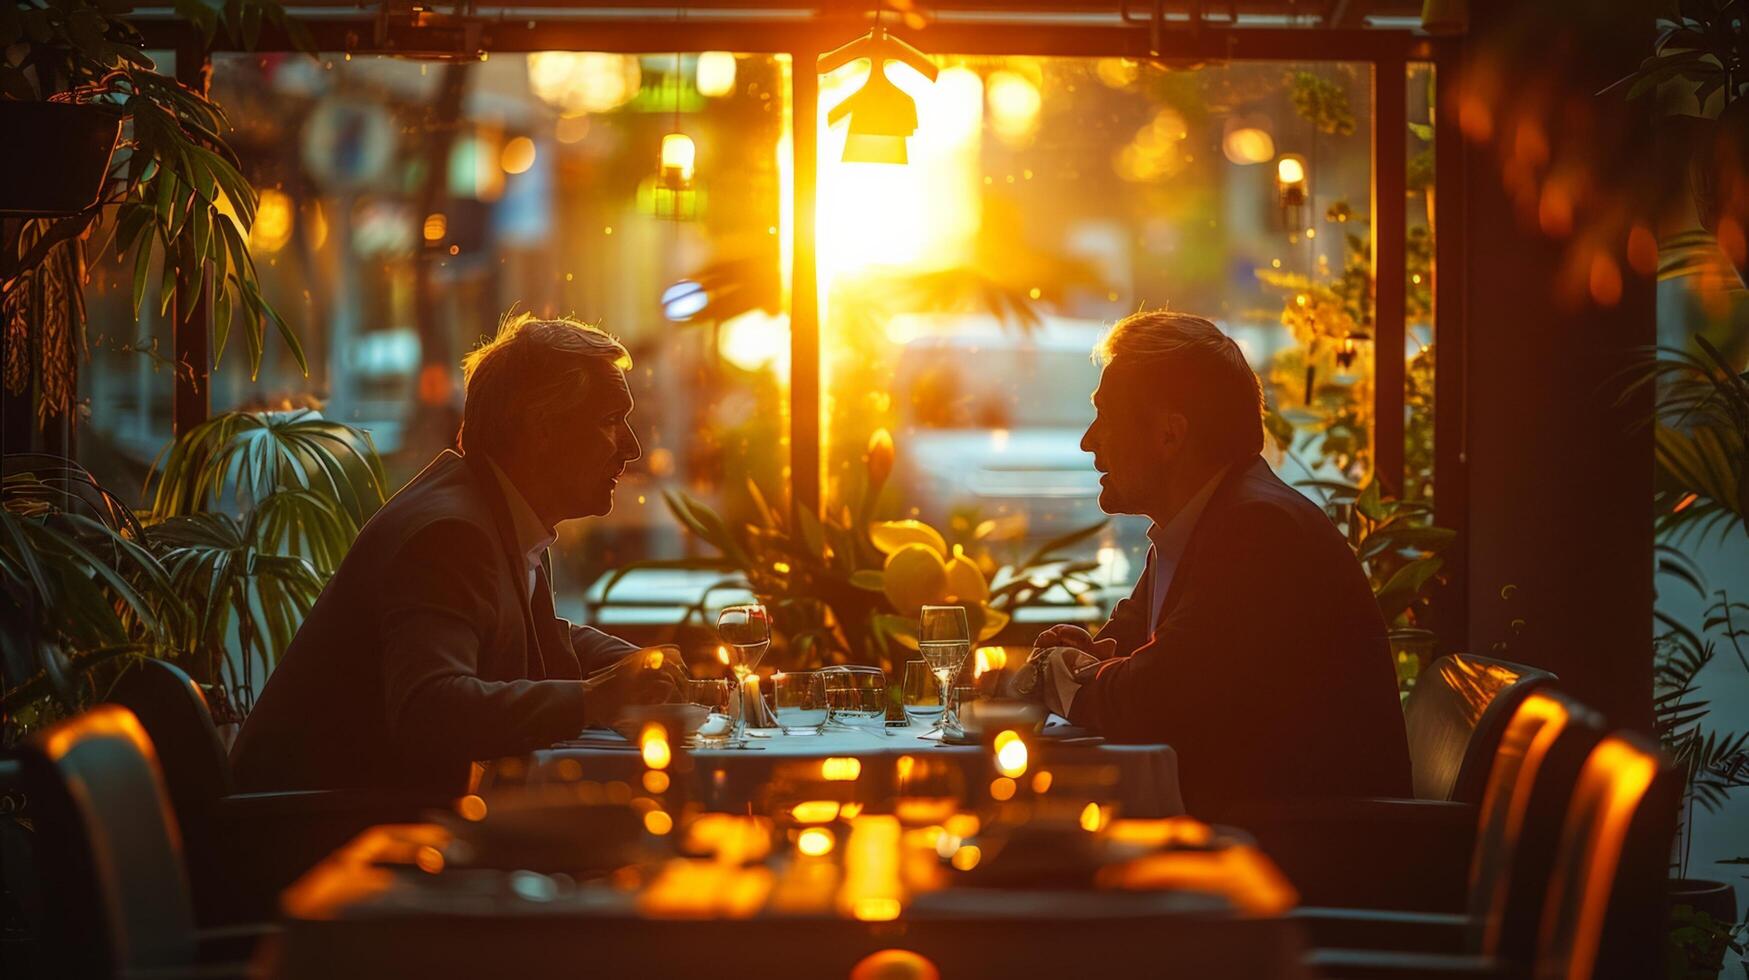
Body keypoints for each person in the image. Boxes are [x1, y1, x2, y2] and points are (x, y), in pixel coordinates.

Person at [231, 313, 686, 796]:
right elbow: (429, 709)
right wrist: (594, 698)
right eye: (611, 421)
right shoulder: (450, 534)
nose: (633, 448)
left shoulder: (489, 507)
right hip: (310, 838)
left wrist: (640, 664)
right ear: (540, 429)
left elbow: (525, 633)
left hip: (353, 818)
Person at [1026, 310, 1411, 813]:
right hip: (1256, 831)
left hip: (1301, 855)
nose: (1089, 441)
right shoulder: (1204, 524)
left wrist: (1062, 671)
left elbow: (1146, 702)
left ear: (1170, 435)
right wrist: (1090, 661)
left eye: (1106, 417)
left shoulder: (1256, 532)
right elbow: (1133, 666)